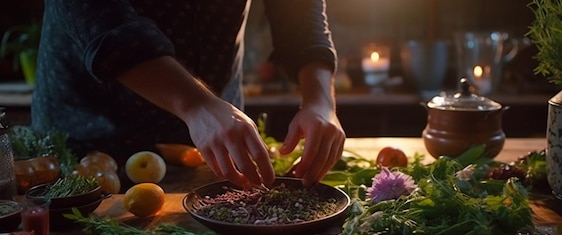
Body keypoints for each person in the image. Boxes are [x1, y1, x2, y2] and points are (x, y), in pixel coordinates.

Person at [31, 0, 345, 188]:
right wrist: (195, 104)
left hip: (219, 135)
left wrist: (320, 101)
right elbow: (101, 18)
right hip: (91, 133)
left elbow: (300, 14)